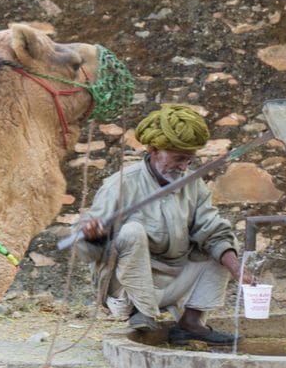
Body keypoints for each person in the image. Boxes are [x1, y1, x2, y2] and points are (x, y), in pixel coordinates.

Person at [77, 104, 253, 345]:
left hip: (173, 280)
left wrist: (236, 267)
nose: (183, 167)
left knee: (223, 246)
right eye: (178, 158)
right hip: (127, 288)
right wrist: (93, 236)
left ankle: (191, 323)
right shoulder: (120, 185)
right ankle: (143, 313)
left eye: (189, 160)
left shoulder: (192, 184)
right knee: (131, 231)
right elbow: (88, 253)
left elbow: (211, 228)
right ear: (153, 150)